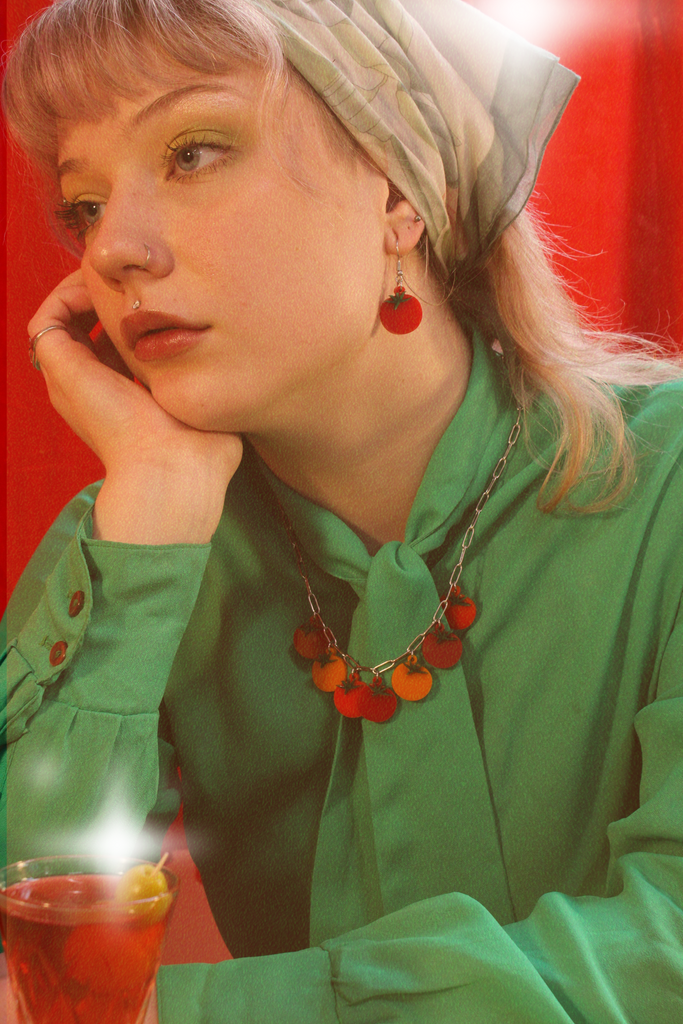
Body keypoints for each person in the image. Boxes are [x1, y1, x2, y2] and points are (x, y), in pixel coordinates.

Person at [2, 0, 683, 1021]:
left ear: (399, 192)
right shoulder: (145, 535)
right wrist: (149, 523)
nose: (113, 253)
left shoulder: (664, 486)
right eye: (85, 205)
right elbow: (34, 955)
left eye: (191, 152)